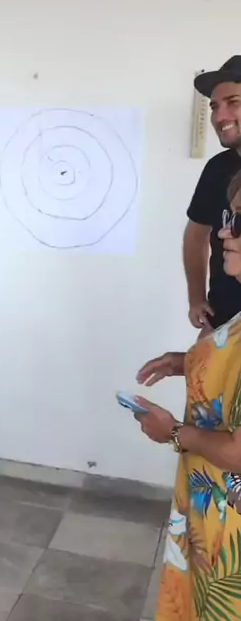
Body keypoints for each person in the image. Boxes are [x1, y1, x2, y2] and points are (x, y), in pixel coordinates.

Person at [134, 168, 241, 620]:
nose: (223, 233)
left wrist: (174, 432)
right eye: (228, 219)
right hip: (212, 518)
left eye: (238, 222)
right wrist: (186, 362)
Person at [184, 55, 241, 333]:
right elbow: (196, 234)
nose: (219, 117)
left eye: (234, 102)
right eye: (215, 107)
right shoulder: (218, 168)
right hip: (221, 321)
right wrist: (196, 298)